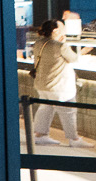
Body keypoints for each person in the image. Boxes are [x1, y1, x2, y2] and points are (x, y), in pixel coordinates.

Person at [30, 18, 92, 147]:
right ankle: (74, 139)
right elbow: (73, 58)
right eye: (63, 28)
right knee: (68, 112)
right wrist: (82, 50)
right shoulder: (60, 46)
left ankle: (40, 135)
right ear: (56, 30)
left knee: (45, 109)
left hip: (43, 85)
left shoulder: (38, 43)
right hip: (60, 86)